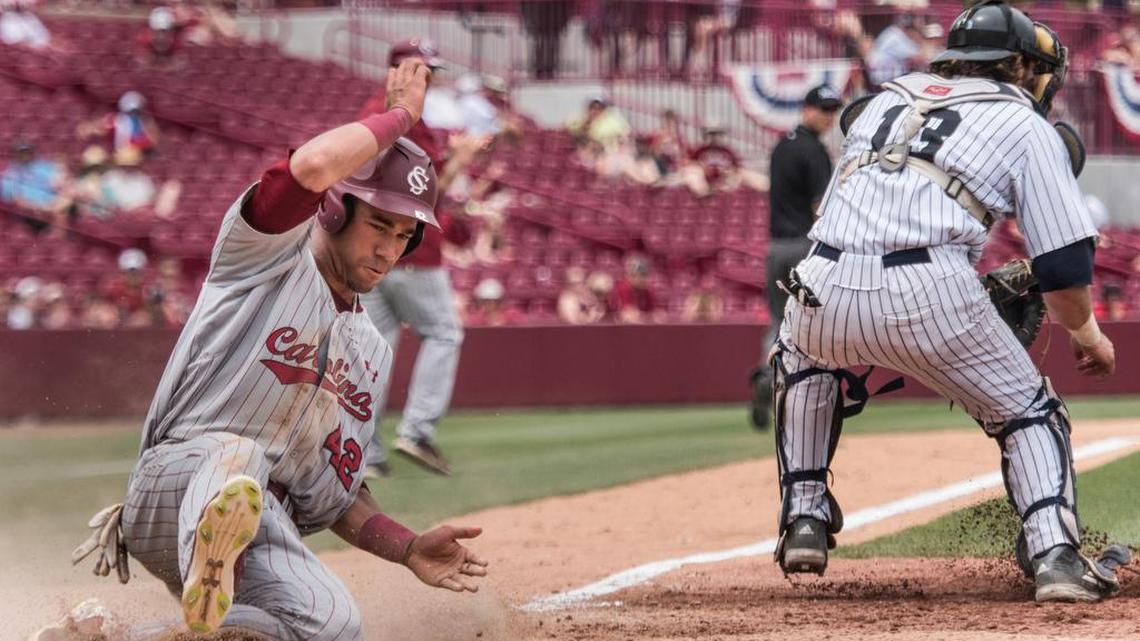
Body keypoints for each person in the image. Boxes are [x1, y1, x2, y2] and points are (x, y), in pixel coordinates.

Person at [66, 59, 488, 640]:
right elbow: (313, 165)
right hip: (175, 488)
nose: (391, 249)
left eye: (403, 235)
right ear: (336, 209)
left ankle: (120, 637)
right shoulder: (261, 257)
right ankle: (217, 542)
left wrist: (408, 546)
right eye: (379, 225)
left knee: (336, 628)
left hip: (258, 521)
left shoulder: (370, 350)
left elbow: (339, 495)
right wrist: (402, 117)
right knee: (237, 459)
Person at [769, 1, 1124, 604]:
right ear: (1015, 64)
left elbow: (838, 215)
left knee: (799, 362)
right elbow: (1064, 270)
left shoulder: (883, 100)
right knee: (1031, 415)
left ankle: (803, 517)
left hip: (820, 278)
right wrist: (1089, 337)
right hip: (928, 286)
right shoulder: (1024, 124)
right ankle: (1055, 555)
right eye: (1034, 67)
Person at [357, 38, 477, 477]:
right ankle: (418, 431)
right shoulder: (404, 118)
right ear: (399, 72)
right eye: (423, 71)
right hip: (409, 247)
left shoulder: (374, 113)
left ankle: (364, 454)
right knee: (444, 332)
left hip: (366, 251)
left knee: (372, 354)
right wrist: (461, 160)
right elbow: (424, 191)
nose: (431, 79)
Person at [749, 84, 842, 430]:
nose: (830, 117)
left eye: (833, 110)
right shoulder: (814, 151)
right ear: (807, 109)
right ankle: (804, 393)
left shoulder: (781, 147)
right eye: (825, 110)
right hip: (804, 248)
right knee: (814, 323)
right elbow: (821, 208)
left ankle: (766, 373)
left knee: (777, 320)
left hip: (776, 248)